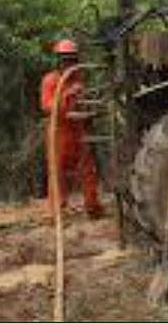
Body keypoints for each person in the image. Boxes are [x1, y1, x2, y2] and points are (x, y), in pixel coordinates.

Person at [40, 39, 104, 219]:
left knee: (88, 170)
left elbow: (82, 105)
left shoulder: (78, 80)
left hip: (78, 131)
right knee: (57, 172)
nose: (68, 63)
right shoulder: (50, 80)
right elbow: (46, 106)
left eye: (71, 59)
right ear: (57, 60)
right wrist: (67, 95)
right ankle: (57, 211)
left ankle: (93, 207)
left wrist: (90, 113)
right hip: (58, 133)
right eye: (65, 59)